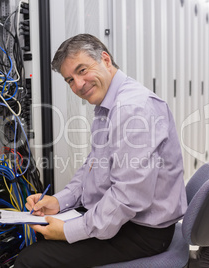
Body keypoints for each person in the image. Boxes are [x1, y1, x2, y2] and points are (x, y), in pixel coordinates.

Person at [15, 33, 187, 267]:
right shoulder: (108, 105)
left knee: (32, 259)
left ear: (105, 59)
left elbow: (128, 198)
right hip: (128, 217)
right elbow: (92, 166)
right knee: (42, 235)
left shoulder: (132, 109)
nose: (78, 85)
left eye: (82, 70)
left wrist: (69, 230)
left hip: (144, 231)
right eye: (70, 80)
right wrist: (59, 201)